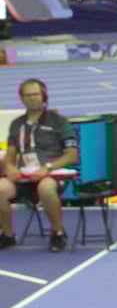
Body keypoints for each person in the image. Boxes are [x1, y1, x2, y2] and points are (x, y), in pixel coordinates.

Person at [0, 79, 80, 251]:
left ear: (43, 96)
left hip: (51, 175)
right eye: (27, 95)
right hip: (24, 177)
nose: (32, 98)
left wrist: (47, 167)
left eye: (35, 94)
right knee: (0, 187)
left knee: (45, 187)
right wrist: (10, 168)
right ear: (21, 98)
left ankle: (57, 233)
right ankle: (7, 235)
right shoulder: (16, 124)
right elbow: (10, 156)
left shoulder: (59, 121)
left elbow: (72, 155)